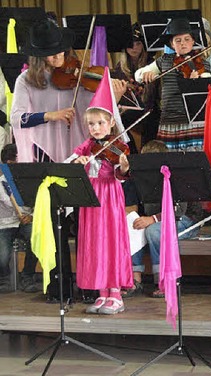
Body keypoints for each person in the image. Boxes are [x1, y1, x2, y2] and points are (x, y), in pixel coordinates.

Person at [10, 19, 126, 301]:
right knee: (55, 224)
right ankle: (58, 285)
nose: (59, 57)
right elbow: (17, 117)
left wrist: (113, 94)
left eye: (62, 51)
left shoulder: (81, 76)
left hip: (84, 159)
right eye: (51, 53)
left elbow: (102, 112)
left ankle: (91, 284)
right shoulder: (26, 80)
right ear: (38, 57)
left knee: (86, 225)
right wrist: (51, 115)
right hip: (47, 159)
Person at [70, 75, 133, 315]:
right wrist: (80, 161)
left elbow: (120, 175)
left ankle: (115, 292)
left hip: (109, 197)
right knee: (93, 242)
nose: (96, 129)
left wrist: (124, 166)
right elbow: (74, 160)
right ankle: (101, 294)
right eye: (91, 124)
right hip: (89, 198)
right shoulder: (87, 145)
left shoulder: (118, 146)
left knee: (110, 242)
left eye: (100, 123)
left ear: (111, 123)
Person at [122, 140, 201, 299]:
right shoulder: (141, 179)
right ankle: (134, 279)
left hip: (186, 220)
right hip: (156, 220)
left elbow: (179, 211)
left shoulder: (174, 176)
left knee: (155, 231)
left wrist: (152, 219)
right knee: (130, 224)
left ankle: (164, 282)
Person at [135, 18, 211, 151]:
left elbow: (207, 85)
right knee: (169, 161)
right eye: (178, 40)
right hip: (169, 119)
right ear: (171, 44)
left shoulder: (202, 63)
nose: (183, 44)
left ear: (193, 41)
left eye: (187, 39)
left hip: (193, 121)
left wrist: (196, 81)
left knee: (194, 160)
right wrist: (145, 75)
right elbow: (138, 75)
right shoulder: (164, 61)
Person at [112, 22, 161, 151]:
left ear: (143, 46)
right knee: (118, 123)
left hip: (149, 111)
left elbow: (153, 97)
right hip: (128, 112)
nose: (134, 47)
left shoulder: (151, 64)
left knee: (152, 120)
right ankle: (130, 154)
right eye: (130, 44)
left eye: (138, 43)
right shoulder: (119, 69)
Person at [0, 144, 38, 293]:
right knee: (2, 255)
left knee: (36, 240)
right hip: (5, 223)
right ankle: (3, 280)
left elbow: (38, 203)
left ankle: (27, 277)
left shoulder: (29, 180)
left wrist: (31, 216)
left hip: (27, 220)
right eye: (9, 165)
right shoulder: (1, 182)